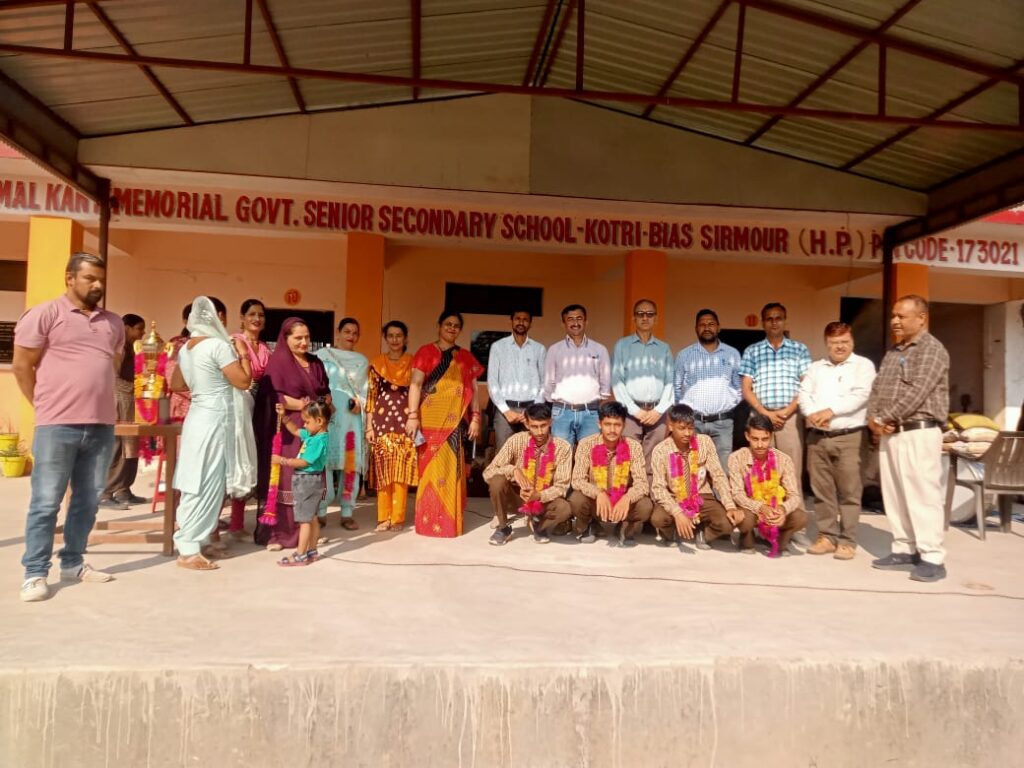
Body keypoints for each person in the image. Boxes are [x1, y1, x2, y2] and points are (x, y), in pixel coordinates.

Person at [13, 252, 123, 602]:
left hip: (101, 426)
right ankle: (34, 572)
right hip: (57, 425)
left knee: (87, 501)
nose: (98, 285)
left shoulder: (113, 323)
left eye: (101, 279)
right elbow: (21, 366)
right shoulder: (45, 314)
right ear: (70, 278)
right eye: (90, 278)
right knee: (46, 502)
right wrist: (43, 406)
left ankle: (73, 563)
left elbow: (110, 365)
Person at [867, 295, 950, 583]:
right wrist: (873, 418)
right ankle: (904, 548)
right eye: (893, 316)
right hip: (892, 432)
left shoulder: (932, 349)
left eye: (901, 316)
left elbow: (918, 392)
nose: (895, 321)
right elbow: (877, 387)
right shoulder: (893, 352)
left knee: (923, 496)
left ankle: (932, 557)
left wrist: (884, 417)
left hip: (919, 431)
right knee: (895, 494)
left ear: (921, 318)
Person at [169, 297, 255, 570]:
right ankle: (188, 548)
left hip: (196, 417)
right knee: (209, 481)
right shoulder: (218, 346)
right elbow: (244, 381)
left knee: (197, 477)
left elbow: (176, 384)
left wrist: (203, 386)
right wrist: (243, 354)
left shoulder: (186, 349)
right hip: (216, 420)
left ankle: (201, 541)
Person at [799, 322, 876, 561]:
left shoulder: (863, 366)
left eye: (844, 342)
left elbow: (861, 395)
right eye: (834, 343)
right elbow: (804, 394)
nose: (840, 347)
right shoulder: (816, 368)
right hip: (818, 437)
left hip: (849, 436)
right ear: (827, 344)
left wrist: (830, 411)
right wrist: (812, 413)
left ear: (852, 341)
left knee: (850, 491)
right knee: (822, 490)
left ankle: (847, 540)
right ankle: (827, 536)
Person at [406, 310, 484, 537]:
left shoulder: (465, 357)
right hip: (428, 421)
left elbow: (474, 390)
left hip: (455, 423)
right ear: (439, 326)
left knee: (451, 472)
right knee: (428, 470)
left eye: (456, 325)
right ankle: (427, 522)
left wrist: (476, 417)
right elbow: (415, 385)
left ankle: (448, 523)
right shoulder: (425, 352)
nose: (452, 328)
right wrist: (413, 416)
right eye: (448, 324)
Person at [255, 318, 331, 550]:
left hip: (315, 429)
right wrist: (304, 405)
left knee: (310, 477)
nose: (304, 342)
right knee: (288, 478)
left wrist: (324, 404)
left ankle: (307, 533)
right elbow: (275, 397)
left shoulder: (316, 363)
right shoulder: (278, 364)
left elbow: (325, 391)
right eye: (298, 338)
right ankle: (280, 535)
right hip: (290, 429)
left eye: (307, 337)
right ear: (285, 338)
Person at [740, 302, 812, 544]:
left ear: (785, 320)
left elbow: (806, 386)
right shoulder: (752, 351)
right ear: (763, 323)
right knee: (759, 472)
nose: (774, 322)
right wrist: (765, 414)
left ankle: (796, 528)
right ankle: (759, 525)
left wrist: (786, 411)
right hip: (760, 419)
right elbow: (746, 388)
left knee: (791, 471)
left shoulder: (799, 349)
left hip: (789, 419)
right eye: (769, 318)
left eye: (778, 318)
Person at [649, 405, 741, 551]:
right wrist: (677, 513)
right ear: (671, 426)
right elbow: (658, 488)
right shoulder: (660, 450)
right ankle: (671, 532)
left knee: (728, 523)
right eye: (682, 428)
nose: (687, 433)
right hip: (674, 496)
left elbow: (718, 475)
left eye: (691, 428)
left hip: (701, 495)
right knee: (658, 519)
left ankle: (704, 534)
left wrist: (730, 505)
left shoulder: (704, 442)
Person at [483, 402, 573, 545]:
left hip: (543, 499)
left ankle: (539, 525)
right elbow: (488, 472)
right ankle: (503, 528)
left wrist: (539, 495)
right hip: (517, 497)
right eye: (534, 427)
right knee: (497, 480)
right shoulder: (516, 440)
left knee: (565, 508)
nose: (540, 432)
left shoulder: (563, 447)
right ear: (527, 424)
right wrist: (513, 470)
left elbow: (562, 487)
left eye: (543, 425)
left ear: (550, 422)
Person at [569, 401, 652, 546]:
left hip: (621, 504)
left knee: (645, 506)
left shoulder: (633, 447)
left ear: (624, 426)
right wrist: (598, 493)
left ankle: (624, 526)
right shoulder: (586, 444)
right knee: (576, 499)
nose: (612, 430)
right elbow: (577, 480)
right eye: (607, 424)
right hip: (596, 503)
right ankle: (590, 524)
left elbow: (642, 484)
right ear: (599, 424)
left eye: (617, 425)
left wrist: (627, 498)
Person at [728, 413, 808, 556]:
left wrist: (782, 509)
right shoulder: (736, 458)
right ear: (747, 436)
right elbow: (737, 494)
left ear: (771, 437)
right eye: (755, 439)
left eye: (764, 439)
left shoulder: (783, 460)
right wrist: (760, 508)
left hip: (775, 508)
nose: (760, 445)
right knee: (745, 519)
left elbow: (794, 495)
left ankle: (779, 540)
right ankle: (747, 538)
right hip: (751, 509)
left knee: (801, 517)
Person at [612, 299, 674, 479]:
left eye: (649, 314)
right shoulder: (622, 346)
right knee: (627, 459)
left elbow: (670, 382)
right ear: (634, 318)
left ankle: (649, 494)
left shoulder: (664, 348)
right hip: (631, 413)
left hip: (657, 413)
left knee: (653, 461)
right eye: (640, 314)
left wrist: (659, 410)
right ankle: (628, 494)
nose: (645, 318)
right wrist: (635, 410)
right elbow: (617, 381)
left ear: (656, 318)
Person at [316, 317, 369, 530]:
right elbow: (315, 383)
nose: (351, 336)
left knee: (349, 465)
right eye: (347, 331)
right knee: (324, 461)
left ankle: (347, 512)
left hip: (350, 418)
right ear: (338, 332)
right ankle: (321, 511)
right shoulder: (322, 356)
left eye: (355, 333)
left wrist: (360, 403)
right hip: (326, 415)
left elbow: (366, 391)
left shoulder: (361, 361)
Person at [366, 321, 418, 533]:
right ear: (385, 338)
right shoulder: (377, 363)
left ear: (405, 338)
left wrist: (416, 418)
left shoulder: (414, 363)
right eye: (390, 335)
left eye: (399, 335)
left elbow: (420, 393)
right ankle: (383, 518)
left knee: (401, 471)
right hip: (381, 423)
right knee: (383, 470)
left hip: (406, 423)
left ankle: (397, 518)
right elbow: (371, 396)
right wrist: (369, 427)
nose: (395, 339)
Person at [674, 308, 742, 468]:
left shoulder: (732, 354)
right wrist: (683, 415)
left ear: (718, 327)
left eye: (711, 324)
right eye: (702, 324)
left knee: (722, 470)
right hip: (692, 423)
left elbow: (739, 387)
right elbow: (676, 387)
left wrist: (728, 404)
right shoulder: (684, 355)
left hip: (723, 423)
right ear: (696, 328)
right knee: (692, 469)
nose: (707, 328)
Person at [226, 298, 271, 540]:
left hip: (260, 408)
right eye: (252, 314)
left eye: (260, 315)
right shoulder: (234, 342)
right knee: (236, 460)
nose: (257, 319)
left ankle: (237, 524)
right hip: (238, 404)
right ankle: (224, 525)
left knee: (251, 461)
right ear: (242, 318)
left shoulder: (264, 347)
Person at [273, 399, 334, 566]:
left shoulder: (318, 441)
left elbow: (304, 462)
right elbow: (295, 431)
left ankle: (300, 555)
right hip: (313, 480)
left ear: (319, 421)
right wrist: (284, 417)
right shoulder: (315, 435)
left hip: (307, 481)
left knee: (304, 521)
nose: (304, 425)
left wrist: (282, 460)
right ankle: (312, 551)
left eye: (307, 422)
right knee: (312, 518)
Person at [543, 304, 611, 449]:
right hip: (561, 412)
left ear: (586, 321)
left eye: (579, 318)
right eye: (570, 319)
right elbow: (549, 381)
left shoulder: (600, 349)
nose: (575, 323)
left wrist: (594, 404)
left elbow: (605, 383)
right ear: (563, 324)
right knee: (561, 455)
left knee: (590, 455)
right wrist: (557, 403)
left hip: (590, 413)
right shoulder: (554, 350)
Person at [99, 313, 147, 510]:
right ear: (126, 328)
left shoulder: (131, 347)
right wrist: (133, 387)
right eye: (139, 329)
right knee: (118, 445)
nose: (142, 333)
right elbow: (113, 376)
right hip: (118, 399)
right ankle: (105, 492)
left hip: (129, 399)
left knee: (131, 445)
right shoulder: (116, 346)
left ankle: (123, 489)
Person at [486, 309, 545, 452]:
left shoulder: (539, 349)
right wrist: (506, 411)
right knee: (503, 455)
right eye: (518, 318)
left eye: (525, 319)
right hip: (505, 411)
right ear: (511, 321)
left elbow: (545, 382)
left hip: (531, 411)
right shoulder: (498, 347)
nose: (521, 322)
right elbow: (492, 381)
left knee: (530, 455)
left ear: (530, 323)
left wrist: (532, 411)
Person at [168, 303, 193, 424]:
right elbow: (172, 379)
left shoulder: (212, 344)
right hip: (182, 405)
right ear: (185, 321)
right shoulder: (177, 345)